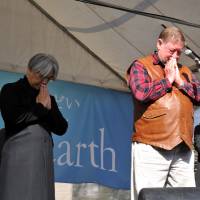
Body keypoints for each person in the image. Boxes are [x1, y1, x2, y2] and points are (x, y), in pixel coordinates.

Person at [126, 26, 200, 199]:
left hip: (183, 146)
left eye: (179, 52)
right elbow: (141, 93)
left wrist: (181, 83)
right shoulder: (140, 65)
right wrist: (167, 81)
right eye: (172, 50)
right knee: (149, 196)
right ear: (159, 44)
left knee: (187, 196)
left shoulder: (185, 71)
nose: (175, 56)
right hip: (151, 145)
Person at [0, 53, 68, 200]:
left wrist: (48, 109)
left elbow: (62, 128)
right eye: (41, 75)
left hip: (42, 157)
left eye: (48, 79)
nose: (43, 82)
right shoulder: (10, 90)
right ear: (29, 69)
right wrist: (41, 108)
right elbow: (14, 118)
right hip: (18, 156)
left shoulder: (48, 98)